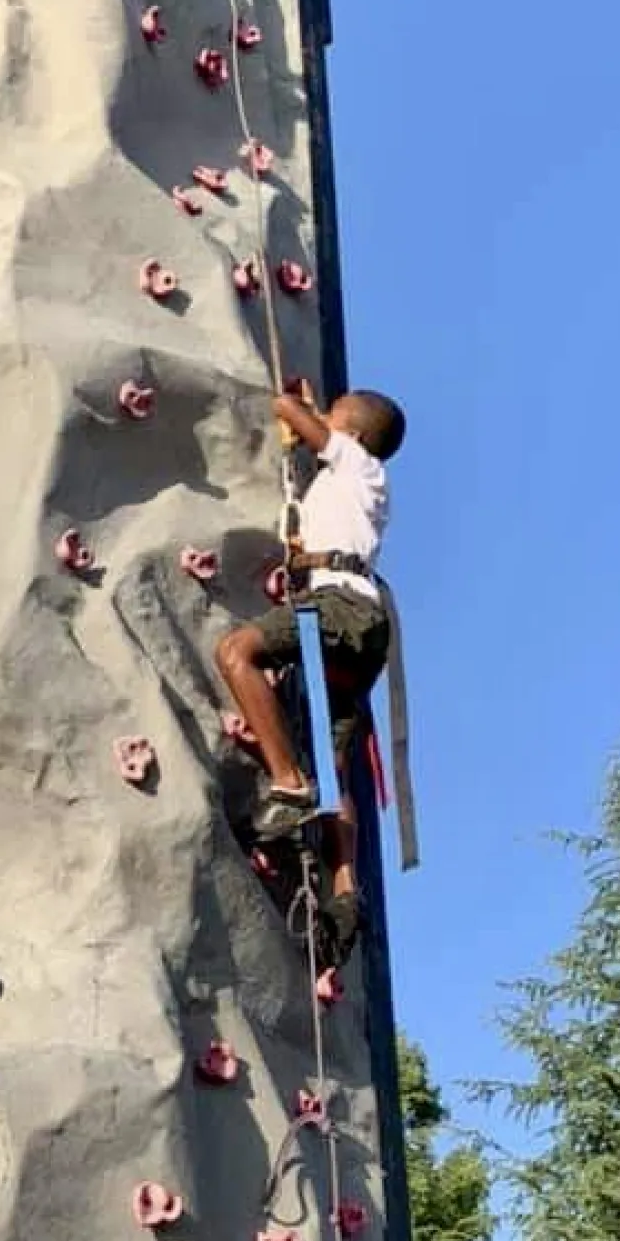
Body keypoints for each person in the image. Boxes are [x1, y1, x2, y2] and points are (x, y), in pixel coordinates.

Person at [215, 382, 406, 962]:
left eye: (336, 410)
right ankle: (345, 892)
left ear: (349, 428)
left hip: (338, 608)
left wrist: (295, 405)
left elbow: (291, 413)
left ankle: (287, 781)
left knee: (236, 653)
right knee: (336, 764)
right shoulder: (353, 483)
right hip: (359, 625)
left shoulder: (356, 460)